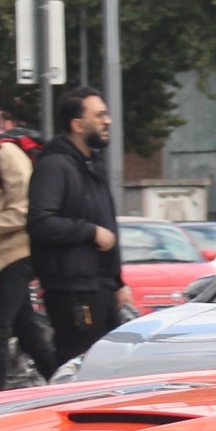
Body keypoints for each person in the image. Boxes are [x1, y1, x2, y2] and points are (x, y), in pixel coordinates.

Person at [26, 90, 136, 369]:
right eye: (99, 115)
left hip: (99, 287)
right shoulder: (55, 166)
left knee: (107, 369)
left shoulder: (91, 167)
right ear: (77, 125)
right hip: (72, 291)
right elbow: (40, 222)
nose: (108, 121)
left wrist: (117, 281)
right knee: (80, 367)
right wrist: (90, 232)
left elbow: (108, 225)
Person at [0, 100, 54, 383]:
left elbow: (26, 207)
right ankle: (63, 380)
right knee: (27, 331)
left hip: (16, 253)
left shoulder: (4, 152)